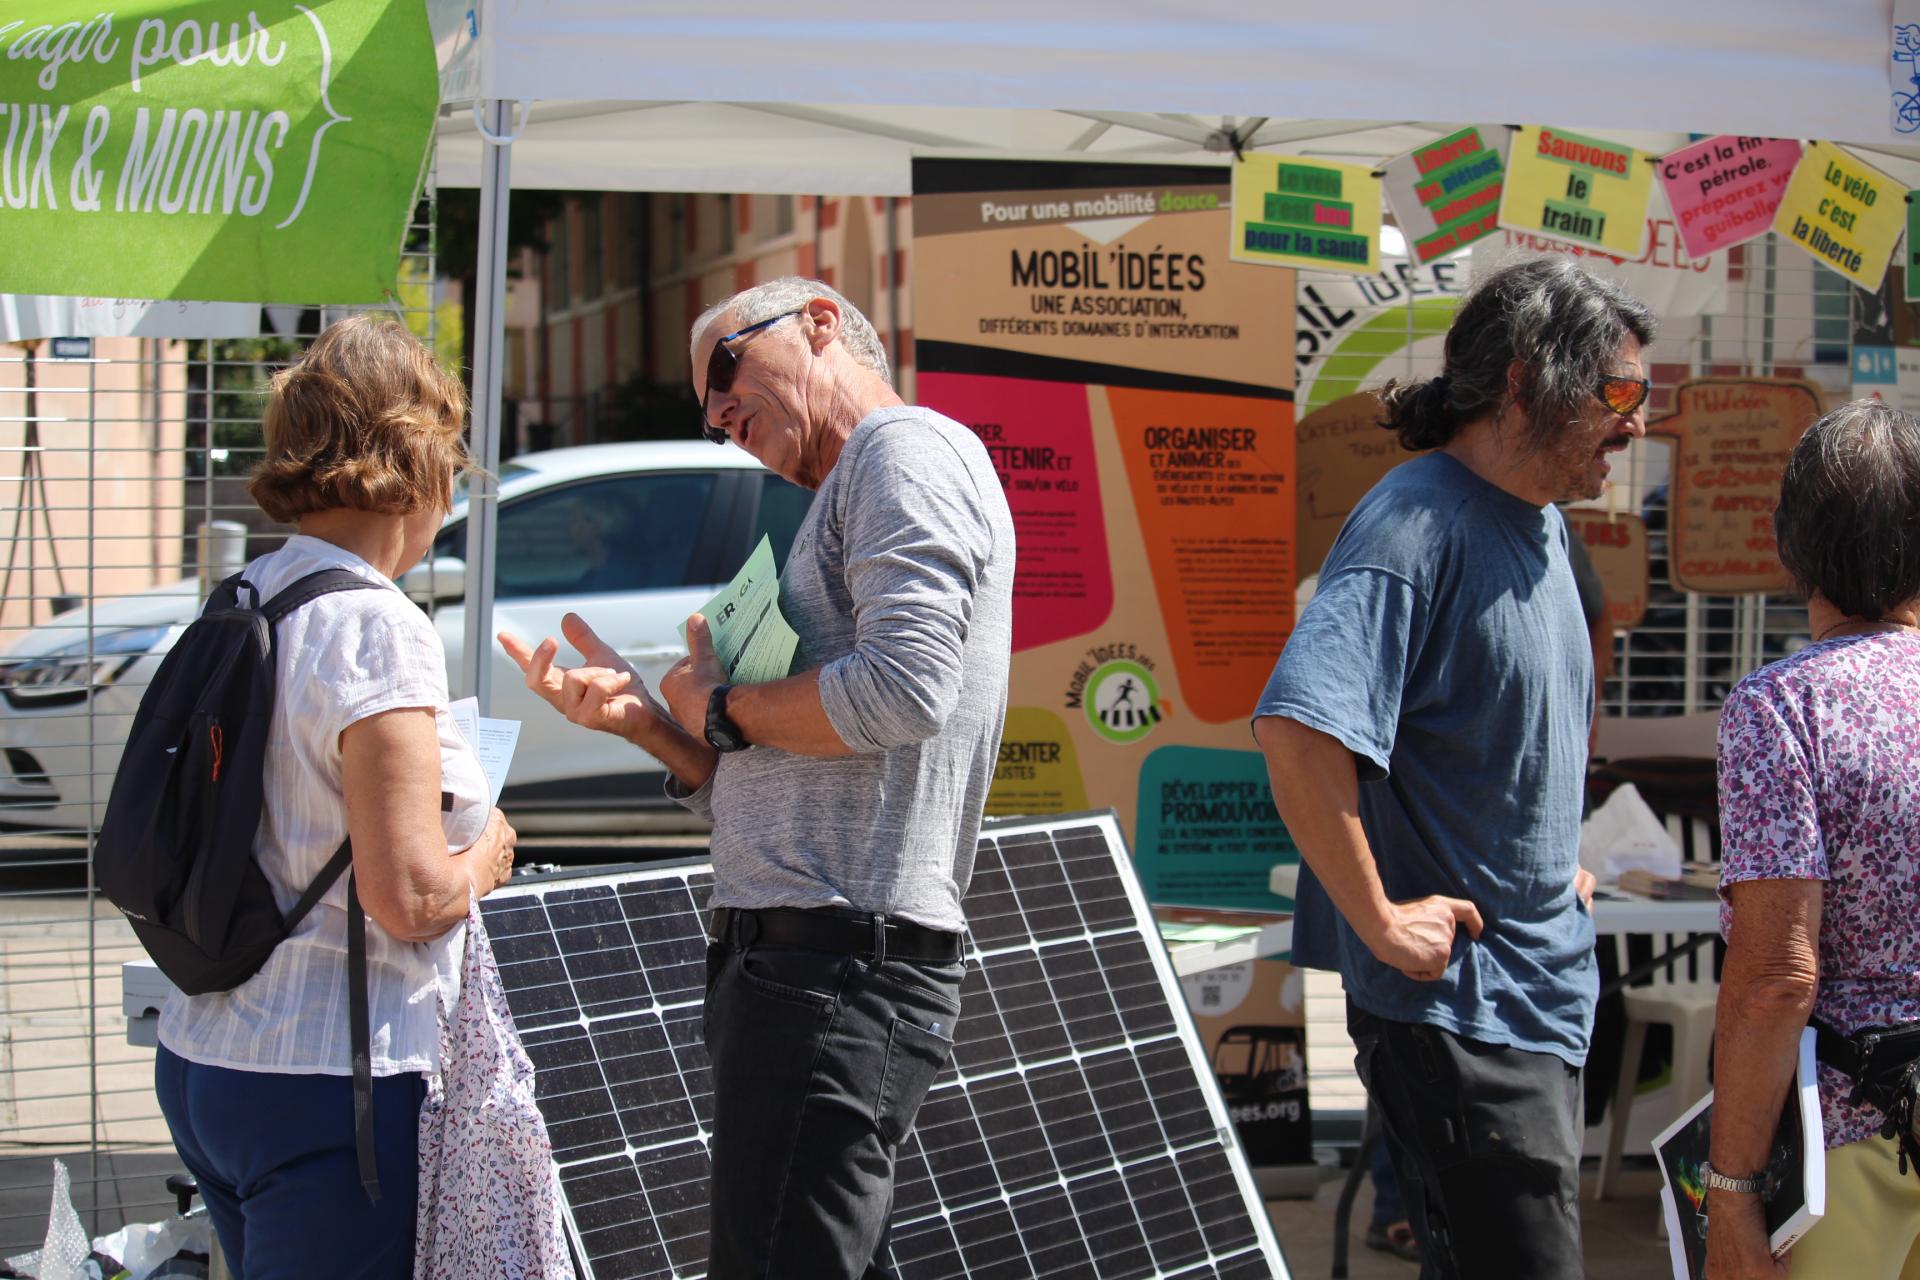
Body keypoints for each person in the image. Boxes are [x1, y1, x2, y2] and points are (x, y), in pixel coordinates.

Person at [500, 277, 1014, 1279]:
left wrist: (724, 706)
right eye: (705, 407)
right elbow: (782, 765)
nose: (720, 414)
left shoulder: (898, 450)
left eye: (726, 372)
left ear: (821, 321)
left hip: (832, 963)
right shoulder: (856, 483)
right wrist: (652, 722)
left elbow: (907, 690)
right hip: (812, 961)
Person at [1251, 256, 1655, 1278]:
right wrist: (1382, 918)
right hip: (1462, 1018)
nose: (1638, 422)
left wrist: (1553, 858)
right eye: (1618, 393)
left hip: (1536, 997)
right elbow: (1300, 733)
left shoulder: (1548, 526)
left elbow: (1511, 724)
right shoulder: (1412, 525)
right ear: (1525, 383)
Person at [153, 316, 518, 1278]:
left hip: (208, 1055)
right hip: (331, 1082)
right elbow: (408, 899)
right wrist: (487, 856)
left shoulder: (248, 595)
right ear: (421, 461)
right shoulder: (376, 627)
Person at [1705, 400, 1920, 1280]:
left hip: (1848, 1143)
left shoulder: (1782, 707)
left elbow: (1774, 980)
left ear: (1791, 544)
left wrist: (1729, 1188)